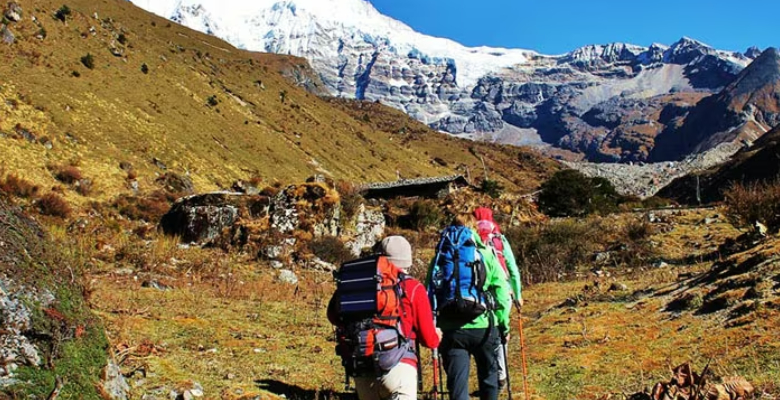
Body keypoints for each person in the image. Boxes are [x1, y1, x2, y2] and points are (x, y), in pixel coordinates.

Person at [328, 236, 441, 400]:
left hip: (362, 367)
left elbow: (333, 316)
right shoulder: (413, 287)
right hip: (399, 367)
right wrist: (436, 335)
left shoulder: (360, 283)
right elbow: (429, 340)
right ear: (407, 260)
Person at [427, 215, 511, 400]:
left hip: (451, 330)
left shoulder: (440, 257)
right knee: (489, 379)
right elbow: (502, 294)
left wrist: (434, 326)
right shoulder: (485, 254)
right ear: (473, 229)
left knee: (457, 387)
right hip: (484, 327)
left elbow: (430, 292)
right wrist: (504, 326)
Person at [474, 206, 523, 388]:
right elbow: (512, 267)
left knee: (486, 333)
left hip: (480, 295)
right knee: (502, 332)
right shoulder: (499, 239)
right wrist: (517, 294)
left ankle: (489, 374)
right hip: (504, 292)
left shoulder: (471, 238)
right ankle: (501, 374)